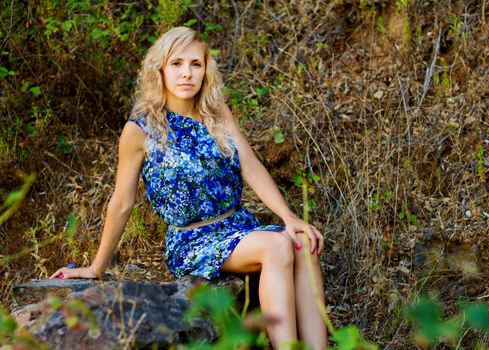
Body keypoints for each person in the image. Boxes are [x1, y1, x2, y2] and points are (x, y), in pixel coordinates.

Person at [50, 26, 327, 349]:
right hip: (194, 239)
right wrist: (96, 267)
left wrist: (289, 218)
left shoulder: (216, 113)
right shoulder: (141, 129)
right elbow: (122, 202)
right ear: (160, 70)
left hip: (239, 226)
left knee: (302, 243)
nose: (187, 73)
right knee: (277, 247)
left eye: (196, 64)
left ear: (206, 70)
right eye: (177, 63)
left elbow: (250, 166)